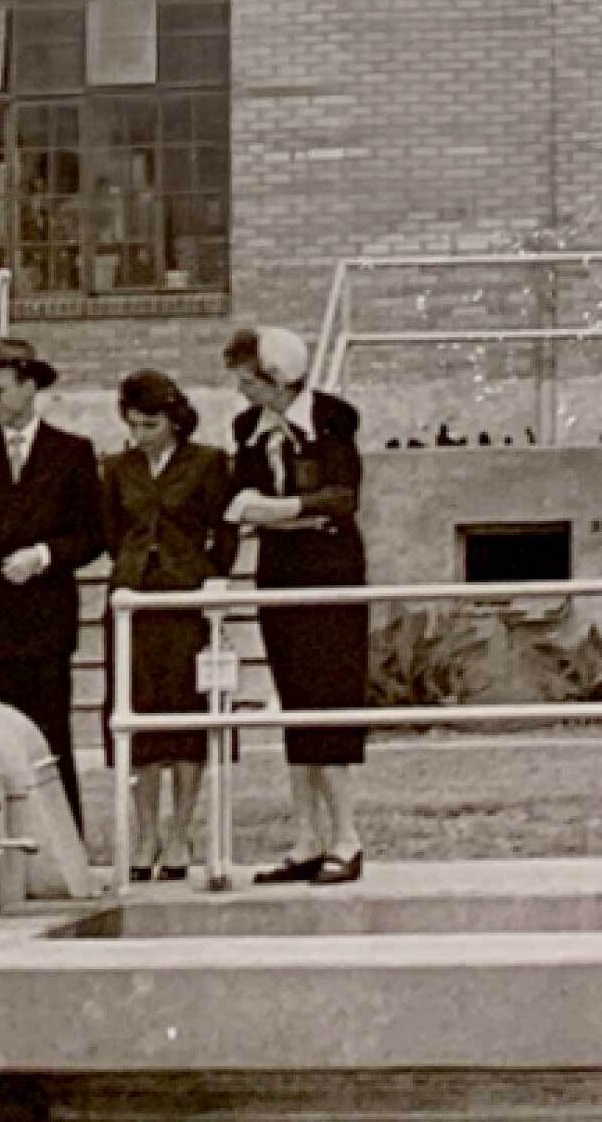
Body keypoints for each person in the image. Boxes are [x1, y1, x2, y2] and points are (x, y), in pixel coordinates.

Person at [0, 337, 104, 835]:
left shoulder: (71, 452)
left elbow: (92, 535)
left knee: (48, 737)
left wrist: (45, 556)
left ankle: (61, 842)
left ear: (30, 387)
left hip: (42, 621)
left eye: (0, 390)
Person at [224, 327, 370, 886]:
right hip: (280, 576)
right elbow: (239, 503)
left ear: (276, 377)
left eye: (248, 377)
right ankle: (307, 838)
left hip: (329, 578)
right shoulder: (249, 430)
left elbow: (342, 500)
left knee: (328, 702)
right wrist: (292, 513)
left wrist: (277, 510)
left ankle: (346, 837)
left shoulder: (333, 419)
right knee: (295, 702)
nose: (240, 389)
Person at [100, 370, 238, 882]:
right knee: (138, 715)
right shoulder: (117, 468)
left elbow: (224, 532)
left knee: (185, 715)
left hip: (187, 600)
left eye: (151, 424)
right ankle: (145, 832)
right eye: (133, 425)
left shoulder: (206, 463)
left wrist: (209, 579)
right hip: (133, 598)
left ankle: (180, 830)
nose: (140, 435)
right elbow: (114, 532)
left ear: (174, 420)